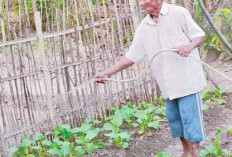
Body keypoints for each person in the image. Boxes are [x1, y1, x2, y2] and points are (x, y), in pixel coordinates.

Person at [94, 0, 207, 156]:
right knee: (177, 122)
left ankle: (195, 152)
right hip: (167, 84)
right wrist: (108, 73)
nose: (140, 4)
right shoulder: (144, 26)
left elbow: (199, 35)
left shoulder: (178, 13)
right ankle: (186, 152)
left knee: (191, 123)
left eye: (143, 0)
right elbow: (131, 57)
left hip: (187, 81)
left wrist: (189, 46)